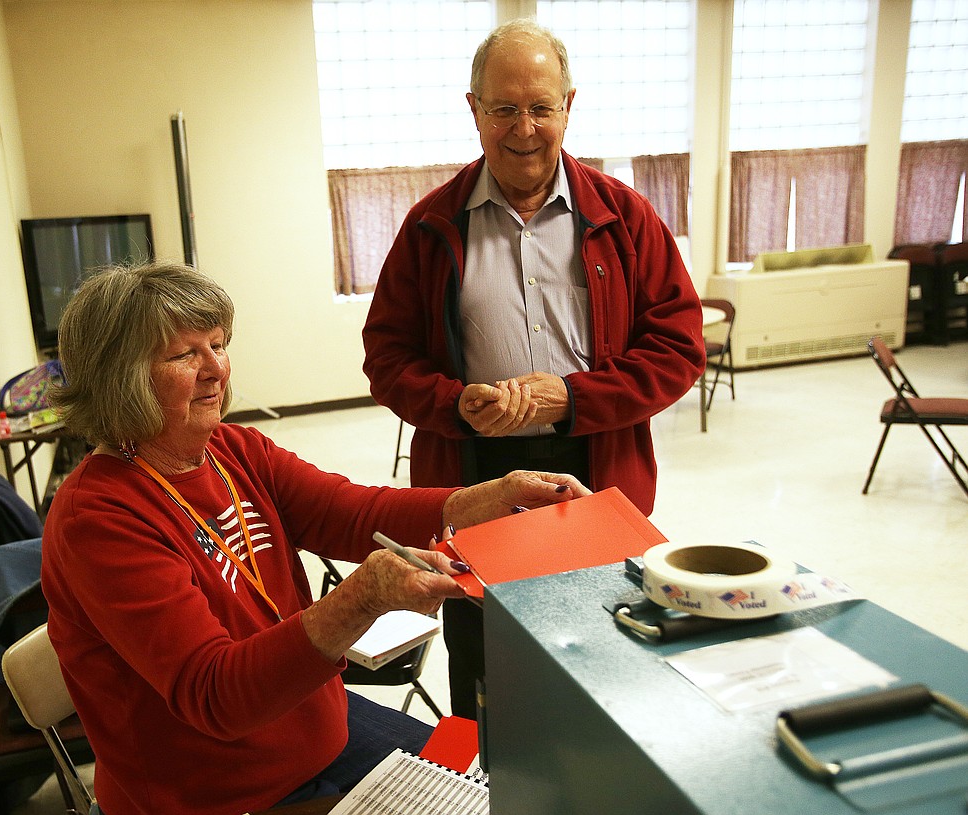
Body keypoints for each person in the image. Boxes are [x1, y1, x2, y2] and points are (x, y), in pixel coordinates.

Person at [41, 260, 588, 815]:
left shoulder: (233, 450)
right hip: (221, 792)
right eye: (185, 354)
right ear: (121, 378)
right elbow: (214, 695)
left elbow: (351, 512)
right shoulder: (99, 516)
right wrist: (362, 597)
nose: (216, 370)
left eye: (219, 344)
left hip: (314, 728)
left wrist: (484, 499)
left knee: (504, 787)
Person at [361, 19, 705, 719]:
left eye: (541, 107)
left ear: (569, 106)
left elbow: (677, 346)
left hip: (597, 466)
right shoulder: (431, 225)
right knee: (488, 668)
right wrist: (456, 403)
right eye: (504, 108)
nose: (525, 128)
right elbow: (387, 356)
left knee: (606, 657)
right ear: (474, 109)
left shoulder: (627, 218)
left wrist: (570, 398)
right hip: (473, 477)